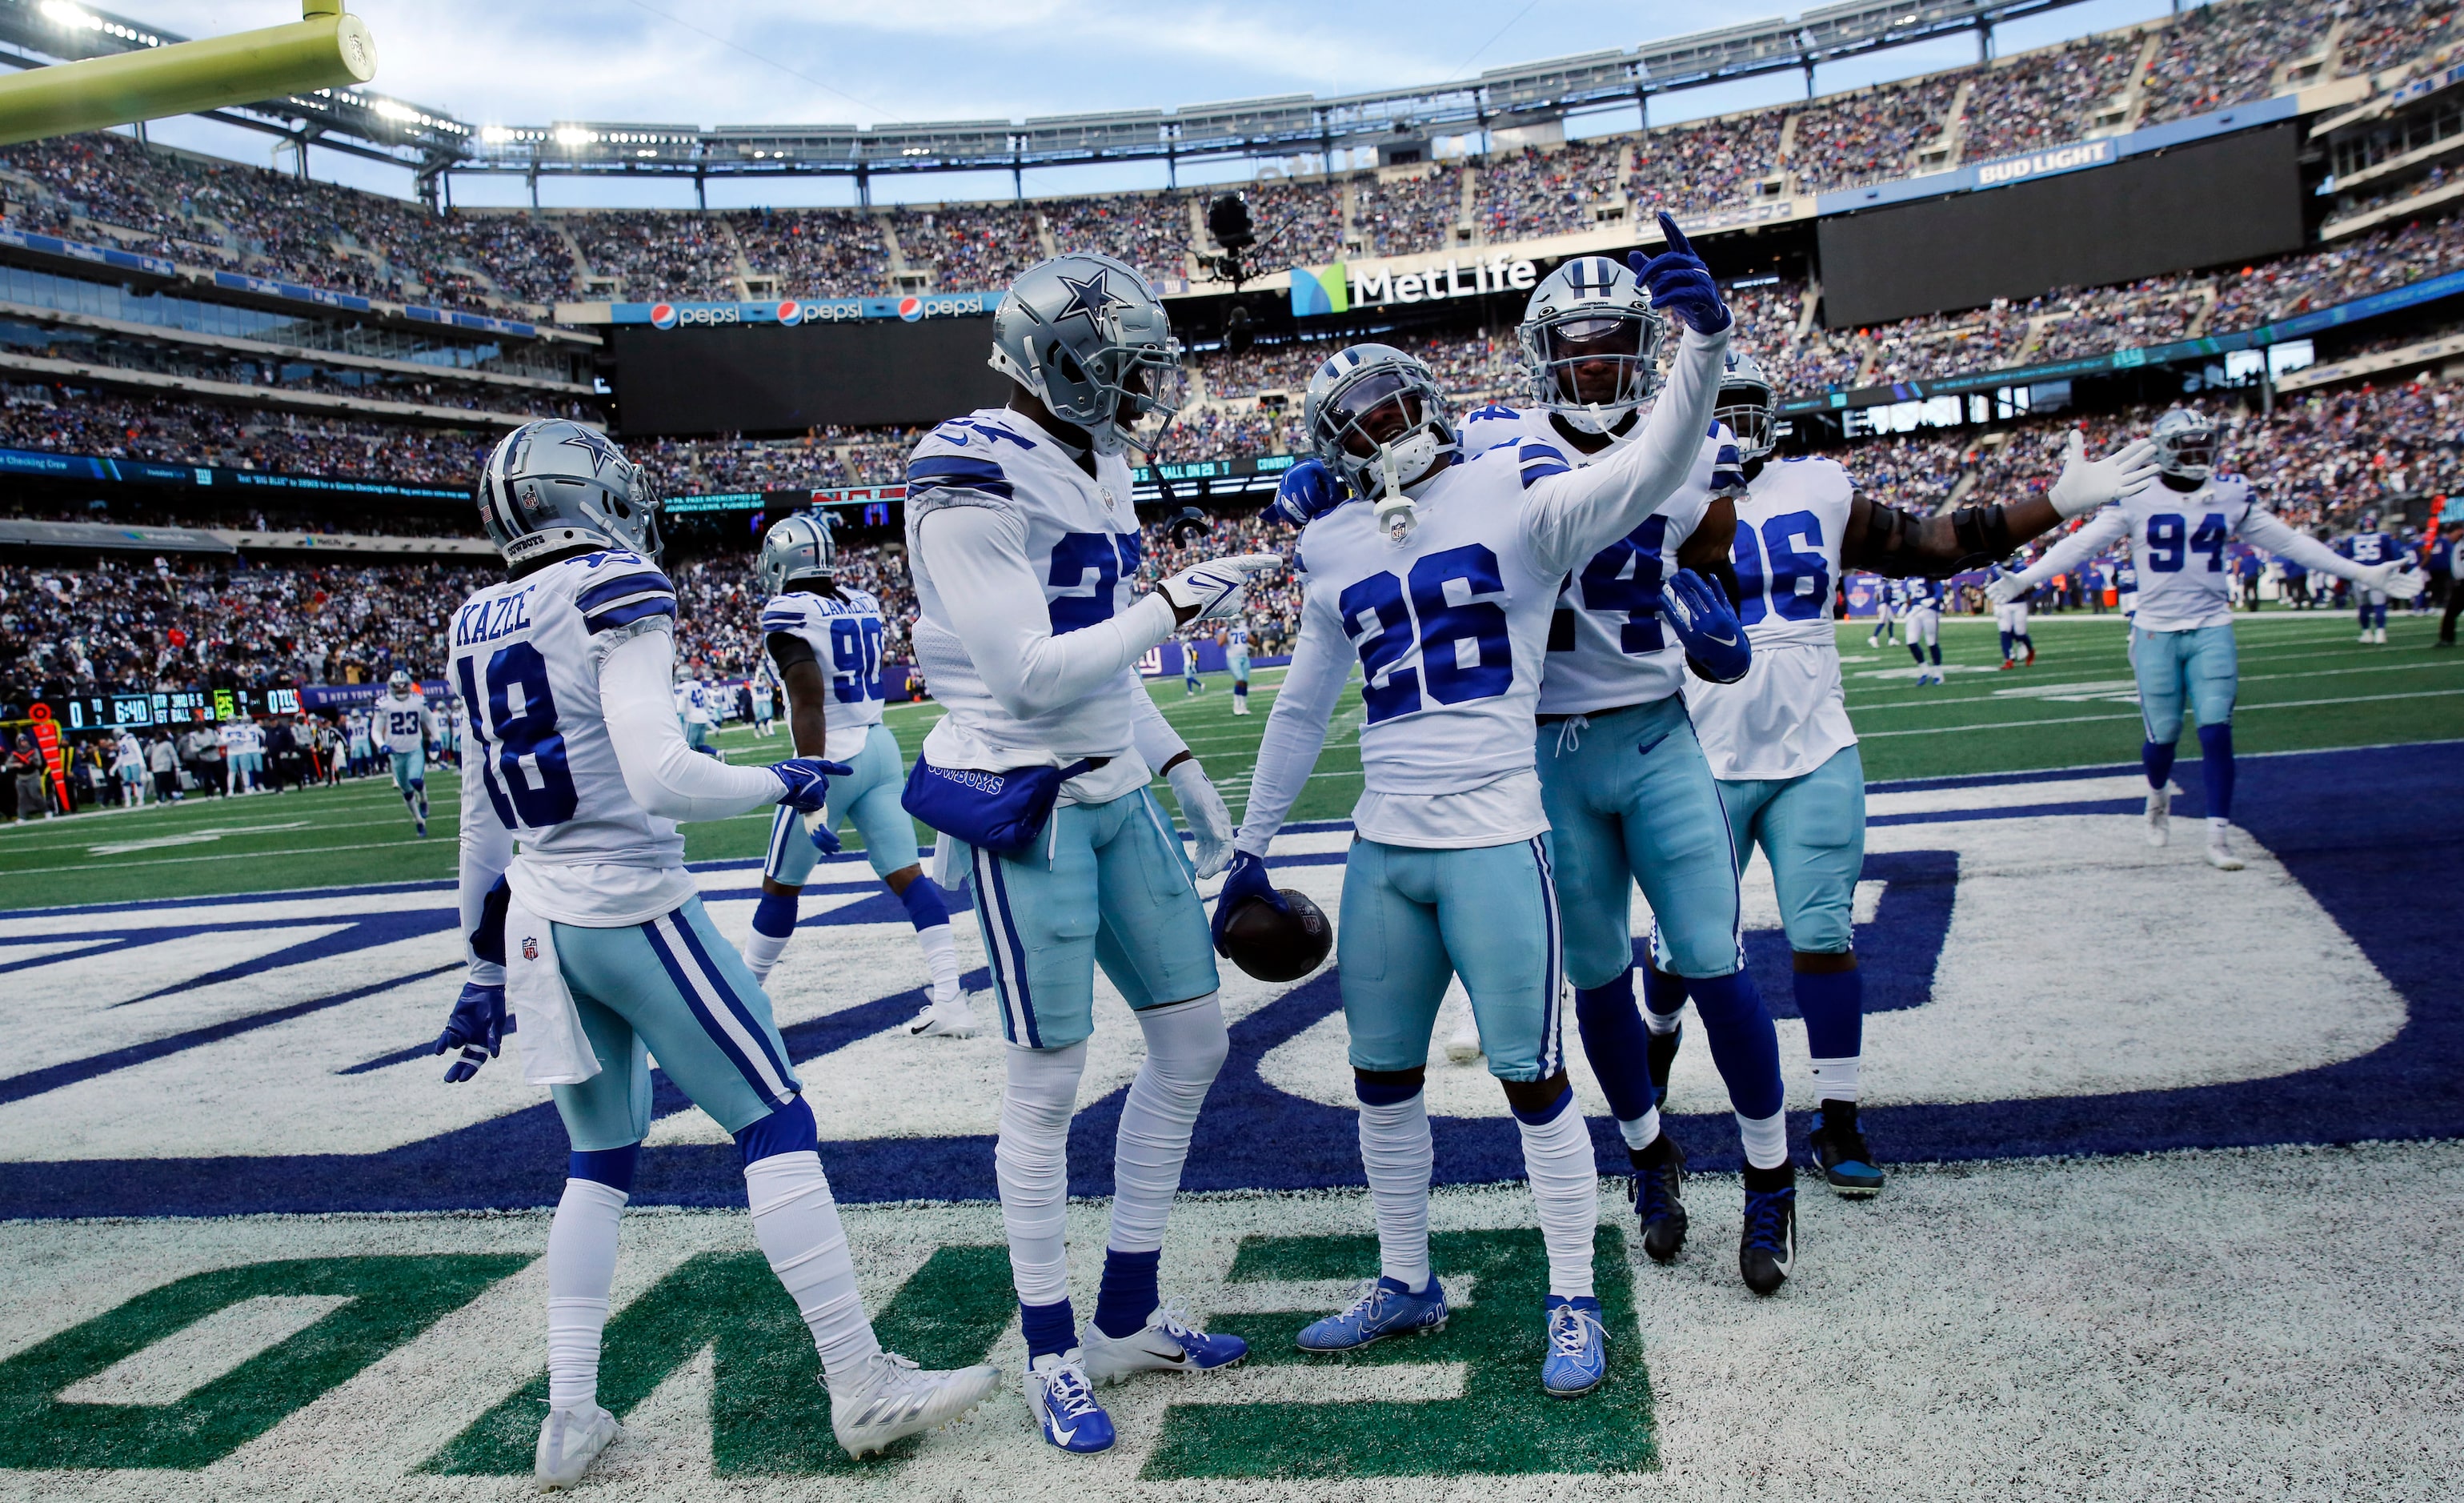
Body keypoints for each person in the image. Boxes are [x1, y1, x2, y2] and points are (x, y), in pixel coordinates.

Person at [431, 419, 1000, 1488]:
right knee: (774, 1116)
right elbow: (657, 774)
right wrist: (772, 782)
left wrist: (476, 967)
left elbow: (478, 823)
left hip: (540, 923)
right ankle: (858, 1377)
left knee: (597, 1162)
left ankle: (567, 1416)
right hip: (631, 902)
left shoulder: (471, 617)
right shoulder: (611, 583)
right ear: (587, 497)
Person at [1228, 217, 1730, 1387]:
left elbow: (1649, 466)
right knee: (1381, 1076)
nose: (1387, 432)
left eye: (1397, 406)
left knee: (1530, 1077)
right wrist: (1245, 852)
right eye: (1360, 424)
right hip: (1381, 849)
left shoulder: (1513, 484)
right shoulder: (1331, 543)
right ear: (1333, 450)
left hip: (1496, 834)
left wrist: (1700, 348)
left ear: (1438, 404)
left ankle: (1571, 1296)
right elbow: (1301, 711)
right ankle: (1406, 1278)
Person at [901, 252, 1272, 1454]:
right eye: (1120, 368)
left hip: (1116, 787)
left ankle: (1121, 1315)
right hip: (1032, 802)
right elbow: (1027, 669)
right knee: (1046, 1082)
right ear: (1053, 363)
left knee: (1191, 1038)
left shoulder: (1096, 455)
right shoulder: (962, 472)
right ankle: (1050, 1350)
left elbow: (1097, 654)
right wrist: (1177, 604)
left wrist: (1179, 767)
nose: (1140, 391)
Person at [1692, 362, 2160, 1200]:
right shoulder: (1657, 494)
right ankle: (1651, 1132)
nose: (1732, 426)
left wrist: (2054, 503)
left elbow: (1929, 547)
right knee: (1682, 954)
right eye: (1714, 410)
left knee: (1825, 939)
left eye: (1744, 410)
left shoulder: (1819, 483)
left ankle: (1837, 1118)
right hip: (1699, 756)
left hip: (1813, 746)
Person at [1452, 256, 1797, 1295]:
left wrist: (1714, 623)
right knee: (1593, 972)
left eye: (1613, 343)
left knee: (1708, 956)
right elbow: (1405, 495)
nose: (1596, 362)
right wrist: (1330, 486)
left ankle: (1769, 1179)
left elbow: (1711, 567)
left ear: (1643, 353)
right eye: (1576, 344)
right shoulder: (1487, 444)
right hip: (1548, 749)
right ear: (1541, 354)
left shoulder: (1694, 448)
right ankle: (1648, 1156)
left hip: (1652, 735)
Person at [1991, 407, 2424, 870]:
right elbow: (2081, 545)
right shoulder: (2137, 495)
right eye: (2188, 445)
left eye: (2203, 442)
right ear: (2165, 451)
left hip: (2212, 625)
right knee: (2164, 738)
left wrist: (2363, 573)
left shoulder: (2232, 494)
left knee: (2217, 731)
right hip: (2155, 629)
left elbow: (2292, 543)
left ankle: (2218, 834)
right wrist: (2024, 579)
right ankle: (2157, 795)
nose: (2199, 452)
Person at [746, 511, 980, 1040]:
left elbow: (807, 699)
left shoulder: (788, 611)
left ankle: (743, 1002)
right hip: (878, 745)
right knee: (907, 875)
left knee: (779, 887)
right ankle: (950, 999)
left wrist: (810, 786)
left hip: (830, 755)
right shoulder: (861, 602)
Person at [373, 668, 436, 836]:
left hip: (415, 748)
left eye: (403, 686)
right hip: (395, 752)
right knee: (407, 791)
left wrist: (436, 739)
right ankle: (419, 821)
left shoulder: (417, 701)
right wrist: (381, 745)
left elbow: (429, 719)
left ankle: (424, 799)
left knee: (416, 779)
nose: (401, 690)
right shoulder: (384, 704)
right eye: (397, 687)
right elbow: (376, 730)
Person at [2339, 512, 2413, 644]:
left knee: (2363, 606)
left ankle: (2366, 633)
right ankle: (2380, 632)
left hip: (2359, 573)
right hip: (2377, 573)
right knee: (2379, 605)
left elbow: (2346, 558)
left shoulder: (2352, 539)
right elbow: (2390, 556)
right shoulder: (2384, 537)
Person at [1988, 554, 2035, 668]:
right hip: (2004, 604)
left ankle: (2030, 650)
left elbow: (2032, 585)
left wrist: (2020, 589)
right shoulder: (1995, 570)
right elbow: (1989, 587)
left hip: (2019, 603)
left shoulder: (2020, 567)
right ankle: (2008, 659)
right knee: (2005, 631)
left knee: (2020, 632)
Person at [1900, 575, 1945, 684]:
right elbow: (1911, 596)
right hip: (1914, 611)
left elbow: (1940, 591)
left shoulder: (1929, 573)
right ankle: (1925, 670)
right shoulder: (1909, 578)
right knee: (1911, 642)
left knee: (1931, 642)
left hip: (1929, 611)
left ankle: (1938, 673)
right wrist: (1905, 605)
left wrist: (1933, 600)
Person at [111, 726, 146, 808]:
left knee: (138, 781)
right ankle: (128, 801)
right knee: (126, 783)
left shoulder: (130, 738)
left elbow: (138, 751)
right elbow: (121, 756)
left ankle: (141, 799)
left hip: (134, 762)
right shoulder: (121, 742)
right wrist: (114, 767)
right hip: (126, 763)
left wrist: (142, 763)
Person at [1226, 622, 1252, 714]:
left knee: (1245, 682)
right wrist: (1227, 631)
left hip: (1244, 656)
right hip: (1233, 657)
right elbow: (1220, 643)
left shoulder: (1244, 628)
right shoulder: (1227, 629)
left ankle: (1243, 706)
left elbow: (1252, 641)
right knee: (1240, 679)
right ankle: (1236, 706)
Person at [147, 731, 180, 803]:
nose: (156, 738)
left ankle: (160, 798)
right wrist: (149, 745)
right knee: (159, 784)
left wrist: (177, 765)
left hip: (164, 767)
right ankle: (169, 797)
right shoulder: (154, 745)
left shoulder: (167, 744)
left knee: (162, 783)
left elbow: (173, 755)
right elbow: (146, 753)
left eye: (158, 736)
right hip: (155, 768)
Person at [751, 671, 776, 736]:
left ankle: (764, 727)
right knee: (758, 718)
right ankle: (756, 730)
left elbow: (772, 685)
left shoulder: (765, 682)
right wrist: (757, 675)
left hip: (765, 701)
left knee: (768, 716)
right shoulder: (753, 682)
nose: (761, 677)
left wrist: (767, 676)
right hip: (757, 701)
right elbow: (755, 685)